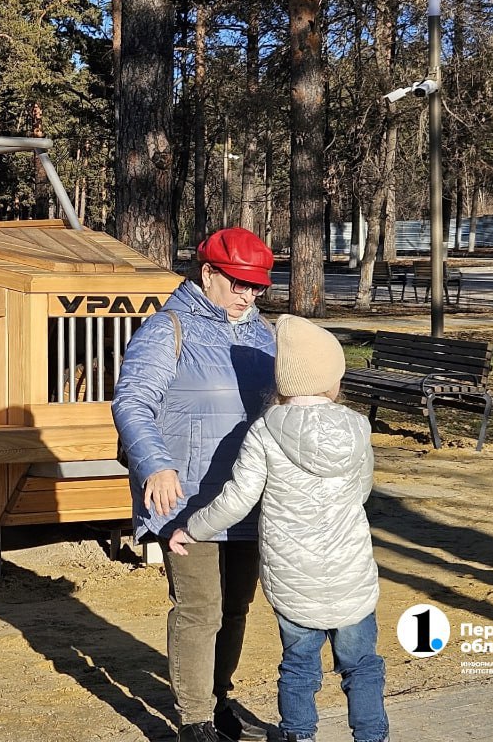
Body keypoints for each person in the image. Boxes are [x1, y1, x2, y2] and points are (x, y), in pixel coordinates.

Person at [170, 316, 388, 742]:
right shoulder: (358, 428)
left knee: (299, 666)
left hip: (293, 577)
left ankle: (299, 736)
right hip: (352, 574)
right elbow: (362, 490)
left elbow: (238, 499)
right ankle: (372, 736)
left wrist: (192, 529)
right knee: (362, 665)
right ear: (332, 379)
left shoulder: (265, 431)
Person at [112, 227, 276, 742]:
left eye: (257, 286)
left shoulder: (263, 333)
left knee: (236, 607)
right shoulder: (169, 329)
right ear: (207, 273)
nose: (248, 296)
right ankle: (195, 721)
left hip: (248, 496)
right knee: (200, 609)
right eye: (239, 283)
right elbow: (132, 402)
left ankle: (220, 702)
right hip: (187, 498)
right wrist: (155, 465)